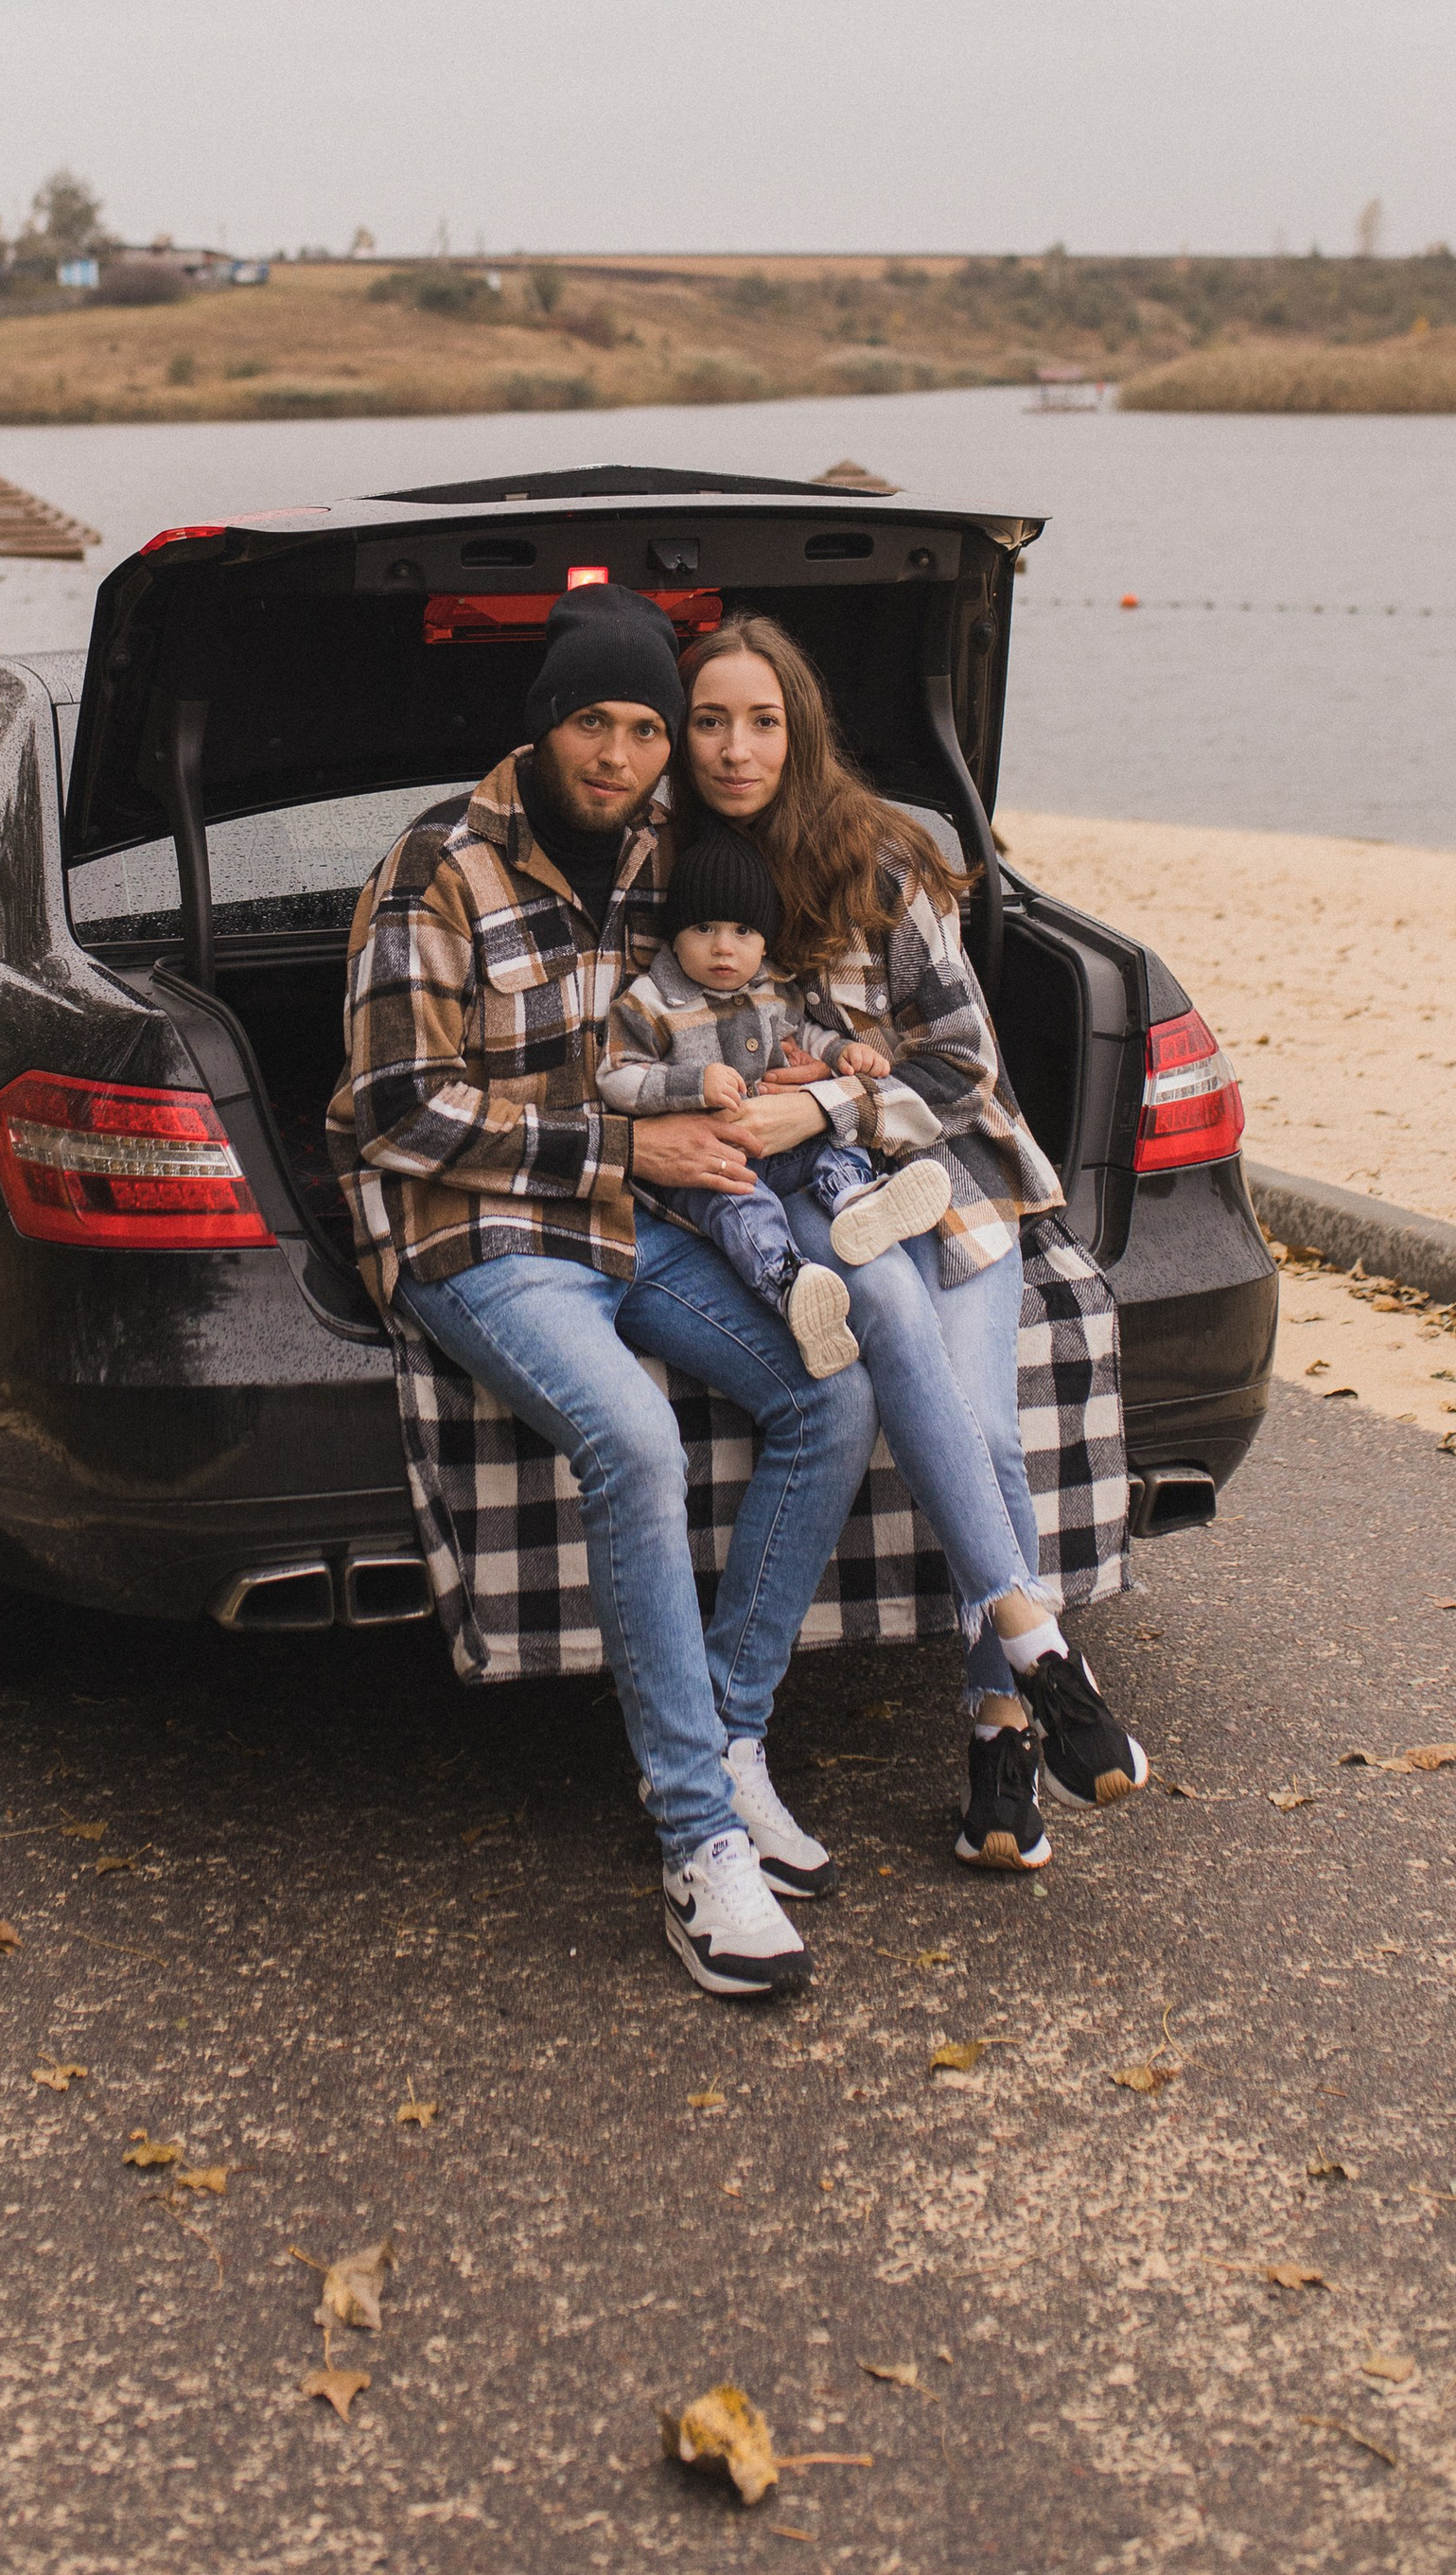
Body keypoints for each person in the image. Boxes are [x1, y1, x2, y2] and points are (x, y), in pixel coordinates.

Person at [328, 585, 883, 1999]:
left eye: (648, 727)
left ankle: (733, 1741)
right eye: (597, 721)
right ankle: (699, 1850)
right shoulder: (434, 869)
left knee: (834, 1390)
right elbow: (397, 1107)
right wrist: (623, 1145)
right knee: (632, 1437)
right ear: (545, 725)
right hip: (474, 1231)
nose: (624, 753)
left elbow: (773, 945)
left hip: (626, 1221)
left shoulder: (662, 859)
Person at [674, 613, 1149, 1873]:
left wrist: (822, 1100)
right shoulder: (681, 878)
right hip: (822, 1197)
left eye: (762, 720)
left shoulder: (880, 859)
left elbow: (964, 1064)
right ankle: (1036, 1654)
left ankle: (1002, 1725)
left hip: (948, 1177)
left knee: (988, 1427)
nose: (735, 747)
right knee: (899, 1330)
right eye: (710, 720)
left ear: (801, 726)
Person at [596, 828, 952, 1377]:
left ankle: (858, 1203)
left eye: (743, 931)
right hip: (708, 1164)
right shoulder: (650, 1003)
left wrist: (844, 1052)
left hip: (782, 1146)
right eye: (703, 928)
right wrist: (693, 1083)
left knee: (836, 1136)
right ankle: (792, 1285)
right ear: (675, 936)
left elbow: (802, 1035)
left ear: (765, 942)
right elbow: (616, 1077)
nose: (723, 946)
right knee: (740, 1205)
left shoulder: (773, 988)